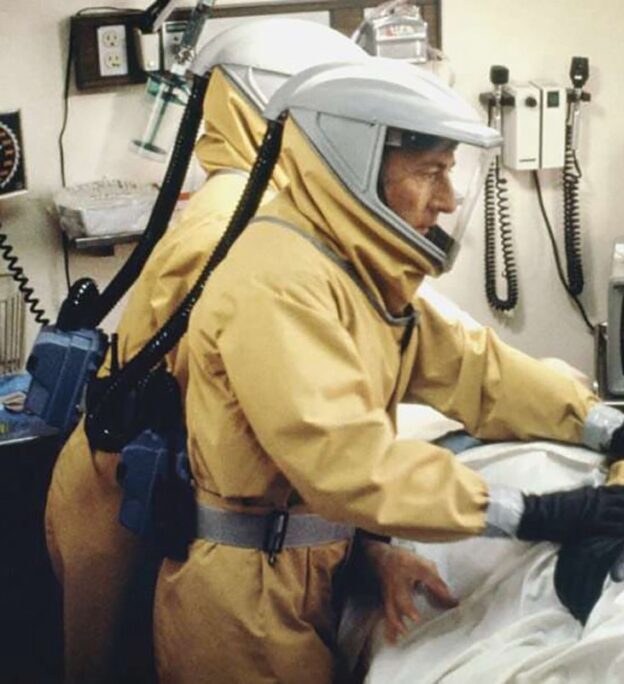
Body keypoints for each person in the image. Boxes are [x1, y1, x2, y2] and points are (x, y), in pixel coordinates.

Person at [152, 59, 624, 683]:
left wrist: (614, 431)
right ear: (357, 165)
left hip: (304, 571)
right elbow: (348, 461)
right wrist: (533, 511)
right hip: (245, 608)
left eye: (450, 173)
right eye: (430, 173)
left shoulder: (352, 270)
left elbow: (477, 371)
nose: (450, 198)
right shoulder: (277, 284)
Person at [43, 20, 369, 683]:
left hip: (122, 493)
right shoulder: (244, 221)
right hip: (145, 518)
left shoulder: (240, 197)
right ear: (287, 112)